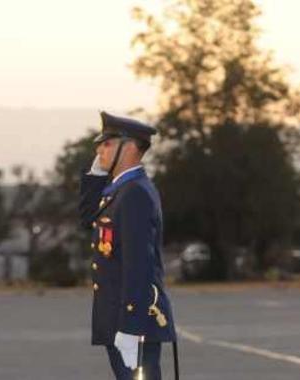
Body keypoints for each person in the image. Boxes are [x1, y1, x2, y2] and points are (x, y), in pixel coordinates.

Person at [79, 111, 178, 380]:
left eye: (107, 143)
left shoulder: (134, 193)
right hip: (118, 318)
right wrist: (95, 175)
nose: (100, 148)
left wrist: (132, 327)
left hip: (133, 322)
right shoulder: (119, 190)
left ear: (130, 147)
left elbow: (139, 265)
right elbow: (88, 219)